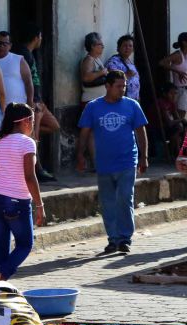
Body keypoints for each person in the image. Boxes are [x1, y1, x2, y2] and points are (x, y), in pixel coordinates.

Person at [75, 70, 148, 255]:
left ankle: (125, 238)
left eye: (124, 86)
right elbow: (84, 132)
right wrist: (80, 155)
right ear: (107, 86)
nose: (122, 89)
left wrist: (143, 156)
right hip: (104, 163)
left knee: (125, 198)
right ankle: (112, 239)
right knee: (108, 202)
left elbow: (141, 132)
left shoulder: (132, 106)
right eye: (118, 86)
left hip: (127, 161)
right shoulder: (93, 107)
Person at [0, 103, 43, 280]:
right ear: (26, 121)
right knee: (25, 245)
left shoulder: (0, 141)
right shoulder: (27, 143)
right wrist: (40, 204)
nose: (33, 124)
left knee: (1, 248)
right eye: (33, 120)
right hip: (16, 201)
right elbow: (30, 176)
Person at [13, 24, 59, 181]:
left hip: (39, 101)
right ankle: (37, 170)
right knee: (34, 136)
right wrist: (31, 101)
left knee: (54, 126)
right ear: (36, 37)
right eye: (40, 37)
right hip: (34, 102)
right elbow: (26, 82)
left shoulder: (29, 54)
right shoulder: (23, 54)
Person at [0, 31, 34, 106]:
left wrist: (30, 101)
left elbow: (28, 82)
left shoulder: (18, 59)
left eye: (5, 44)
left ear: (10, 46)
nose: (1, 46)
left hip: (18, 106)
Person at [106, 35, 141, 102]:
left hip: (133, 101)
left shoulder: (130, 63)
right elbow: (112, 79)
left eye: (130, 46)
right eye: (125, 45)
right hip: (121, 101)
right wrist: (127, 75)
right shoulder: (113, 62)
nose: (127, 48)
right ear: (118, 48)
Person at [160, 33, 187, 117]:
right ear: (184, 43)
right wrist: (177, 71)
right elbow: (162, 63)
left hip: (185, 89)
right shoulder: (178, 55)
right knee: (180, 114)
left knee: (181, 114)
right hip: (179, 90)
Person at [157, 82, 187, 156]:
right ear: (165, 94)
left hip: (169, 128)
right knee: (179, 128)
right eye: (171, 93)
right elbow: (169, 123)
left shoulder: (172, 103)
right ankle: (174, 152)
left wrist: (182, 121)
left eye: (175, 93)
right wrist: (181, 120)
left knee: (182, 127)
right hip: (159, 128)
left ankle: (182, 151)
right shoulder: (161, 103)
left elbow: (177, 118)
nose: (174, 96)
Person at [80, 33, 107, 109]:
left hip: (97, 101)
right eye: (100, 44)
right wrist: (102, 72)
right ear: (92, 46)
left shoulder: (96, 59)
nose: (103, 47)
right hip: (91, 101)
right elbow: (86, 77)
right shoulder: (89, 59)